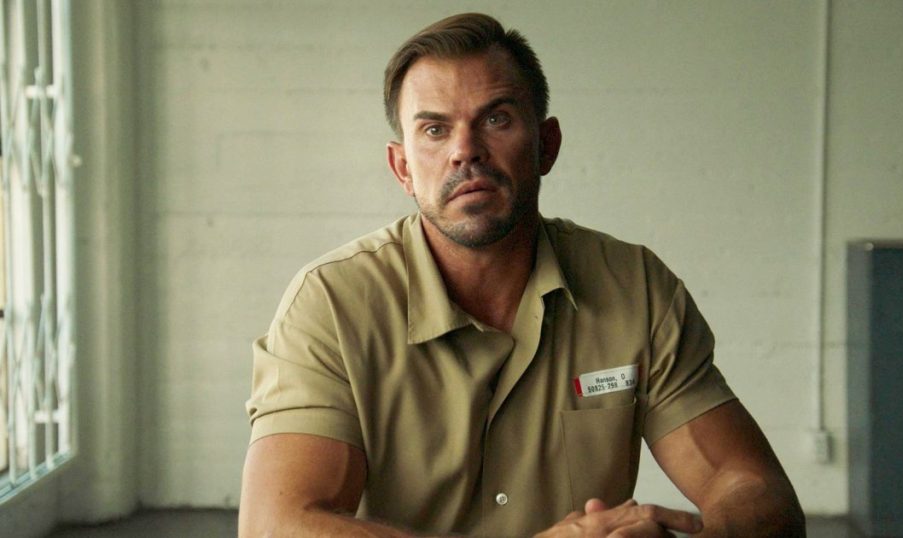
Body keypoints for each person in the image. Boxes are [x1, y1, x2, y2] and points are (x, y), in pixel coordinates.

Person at [239, 12, 804, 538]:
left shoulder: (636, 288)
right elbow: (276, 524)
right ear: (402, 167)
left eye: (496, 119)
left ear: (546, 145)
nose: (465, 151)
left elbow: (752, 488)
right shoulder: (332, 304)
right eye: (434, 130)